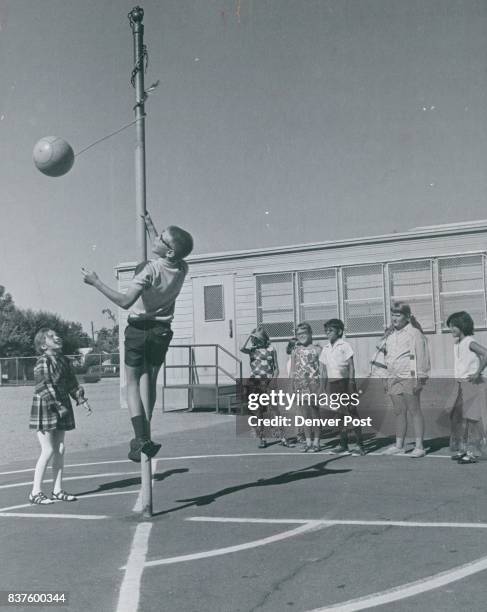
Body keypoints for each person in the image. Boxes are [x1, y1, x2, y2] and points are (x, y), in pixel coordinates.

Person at [82, 211, 193, 462]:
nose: (156, 240)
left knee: (132, 383)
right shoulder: (182, 267)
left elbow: (125, 301)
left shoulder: (149, 271)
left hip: (139, 329)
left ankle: (140, 438)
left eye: (161, 239)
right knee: (149, 380)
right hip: (162, 331)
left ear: (168, 251)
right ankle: (146, 428)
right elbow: (170, 250)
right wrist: (152, 229)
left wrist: (96, 282)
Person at [29, 328, 92, 505]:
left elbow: (71, 382)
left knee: (60, 449)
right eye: (51, 336)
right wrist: (58, 406)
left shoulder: (63, 360)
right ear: (43, 345)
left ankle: (57, 490)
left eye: (57, 335)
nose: (57, 337)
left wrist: (81, 399)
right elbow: (43, 386)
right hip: (47, 407)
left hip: (61, 405)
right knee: (48, 450)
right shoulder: (43, 361)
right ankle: (35, 492)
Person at [382, 302, 430, 457]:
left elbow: (422, 356)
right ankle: (399, 445)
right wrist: (385, 377)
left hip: (409, 377)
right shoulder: (389, 335)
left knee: (414, 410)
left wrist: (420, 377)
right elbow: (386, 357)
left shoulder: (414, 333)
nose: (395, 318)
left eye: (398, 315)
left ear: (407, 317)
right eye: (393, 315)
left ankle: (419, 446)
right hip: (393, 377)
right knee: (399, 411)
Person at [320, 318, 365, 456]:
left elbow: (351, 366)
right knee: (339, 414)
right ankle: (343, 444)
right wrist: (323, 387)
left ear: (339, 331)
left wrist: (351, 383)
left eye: (331, 330)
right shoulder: (326, 348)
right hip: (333, 385)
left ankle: (360, 445)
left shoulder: (345, 345)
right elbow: (323, 370)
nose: (328, 333)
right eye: (326, 331)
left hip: (345, 383)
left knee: (351, 411)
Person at [446, 311, 487, 464]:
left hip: (471, 384)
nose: (451, 329)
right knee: (459, 417)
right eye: (450, 326)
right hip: (460, 384)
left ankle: (472, 452)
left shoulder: (469, 341)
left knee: (472, 419)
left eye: (454, 326)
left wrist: (478, 372)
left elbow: (485, 353)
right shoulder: (458, 343)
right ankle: (463, 449)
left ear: (462, 326)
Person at [241, 326, 284, 448]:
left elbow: (276, 368)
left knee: (274, 409)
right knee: (258, 411)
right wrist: (250, 335)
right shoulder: (252, 350)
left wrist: (274, 380)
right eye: (254, 339)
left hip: (268, 381)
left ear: (264, 338)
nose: (256, 341)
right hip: (255, 383)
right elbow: (241, 348)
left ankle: (282, 436)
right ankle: (262, 438)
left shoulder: (271, 349)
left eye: (258, 338)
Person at [289, 322, 325, 452]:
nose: (301, 336)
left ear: (310, 334)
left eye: (304, 333)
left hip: (314, 385)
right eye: (299, 334)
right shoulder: (295, 351)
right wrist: (291, 386)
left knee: (315, 414)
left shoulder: (317, 349)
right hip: (300, 386)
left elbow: (322, 370)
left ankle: (317, 441)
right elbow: (292, 371)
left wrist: (322, 387)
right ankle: (308, 441)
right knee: (305, 416)